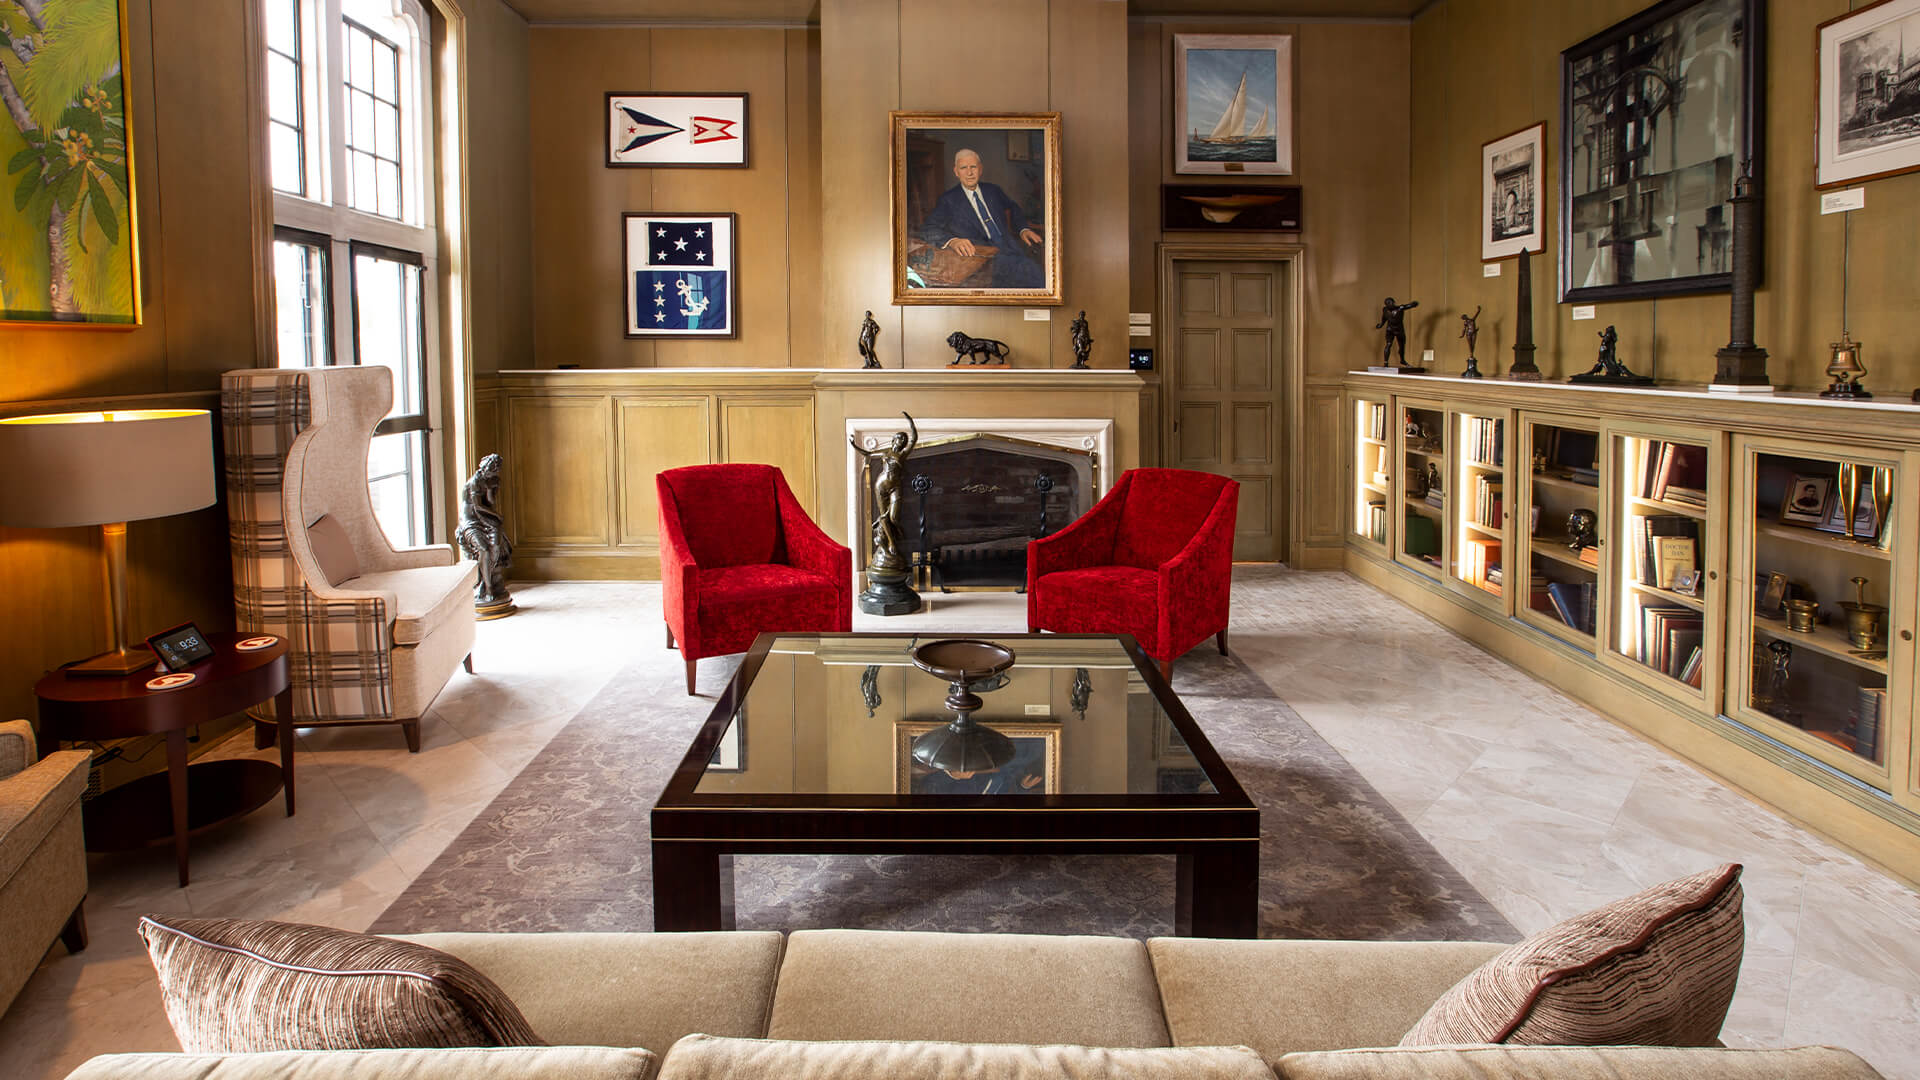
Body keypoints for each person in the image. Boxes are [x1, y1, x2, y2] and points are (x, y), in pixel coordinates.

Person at [919, 148, 1044, 289]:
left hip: (1010, 247)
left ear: (980, 169)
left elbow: (1013, 207)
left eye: (973, 167)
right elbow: (928, 229)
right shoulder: (949, 199)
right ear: (956, 172)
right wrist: (953, 241)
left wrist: (1023, 229)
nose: (969, 172)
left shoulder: (993, 190)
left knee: (1036, 275)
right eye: (963, 168)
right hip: (982, 259)